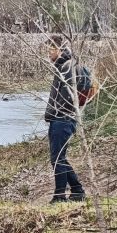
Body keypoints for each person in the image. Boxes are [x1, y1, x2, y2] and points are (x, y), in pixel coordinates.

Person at [44, 34, 85, 203]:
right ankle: (77, 190)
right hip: (62, 118)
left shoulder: (68, 67)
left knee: (57, 158)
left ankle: (60, 195)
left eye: (49, 50)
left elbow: (70, 95)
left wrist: (57, 111)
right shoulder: (64, 66)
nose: (48, 54)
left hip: (63, 118)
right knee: (59, 157)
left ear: (59, 49)